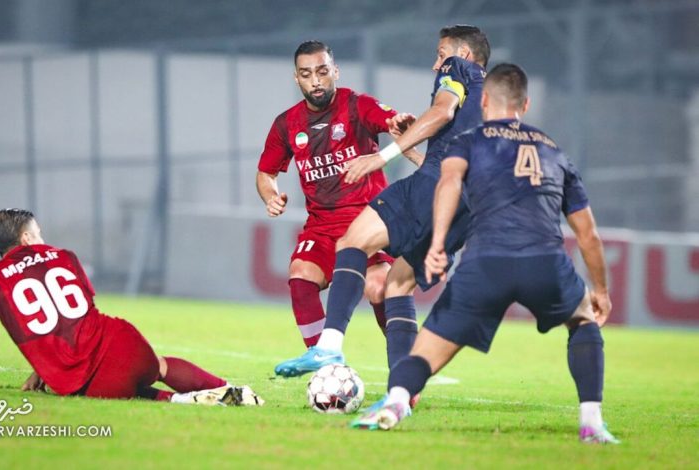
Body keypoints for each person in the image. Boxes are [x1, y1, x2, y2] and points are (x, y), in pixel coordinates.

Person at [351, 63, 620, 444]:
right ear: (525, 105)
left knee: (429, 349)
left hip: (485, 264)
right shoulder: (553, 152)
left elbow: (448, 183)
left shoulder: (469, 140)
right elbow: (588, 234)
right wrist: (602, 291)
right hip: (545, 262)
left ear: (485, 101)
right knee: (582, 322)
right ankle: (592, 423)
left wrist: (438, 243)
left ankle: (395, 403)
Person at [274, 25, 489, 377]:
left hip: (436, 185)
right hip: (469, 202)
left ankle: (326, 350)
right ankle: (405, 386)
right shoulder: (492, 96)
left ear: (462, 54)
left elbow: (441, 113)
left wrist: (381, 157)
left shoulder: (458, 69)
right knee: (397, 284)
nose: (437, 64)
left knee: (352, 241)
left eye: (441, 54)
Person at [0, 209, 263, 406]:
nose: (43, 239)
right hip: (120, 342)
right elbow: (71, 317)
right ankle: (231, 390)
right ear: (26, 238)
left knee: (122, 393)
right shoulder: (64, 256)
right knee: (159, 366)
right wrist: (38, 371)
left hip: (79, 379)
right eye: (38, 233)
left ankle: (180, 401)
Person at [257, 40, 422, 349]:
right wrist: (270, 195)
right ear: (297, 78)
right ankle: (326, 367)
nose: (315, 81)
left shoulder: (356, 106)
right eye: (306, 74)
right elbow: (266, 173)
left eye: (322, 71)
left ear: (335, 71)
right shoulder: (286, 124)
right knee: (300, 275)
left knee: (379, 286)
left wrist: (396, 122)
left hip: (369, 220)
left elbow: (389, 120)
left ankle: (407, 369)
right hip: (322, 227)